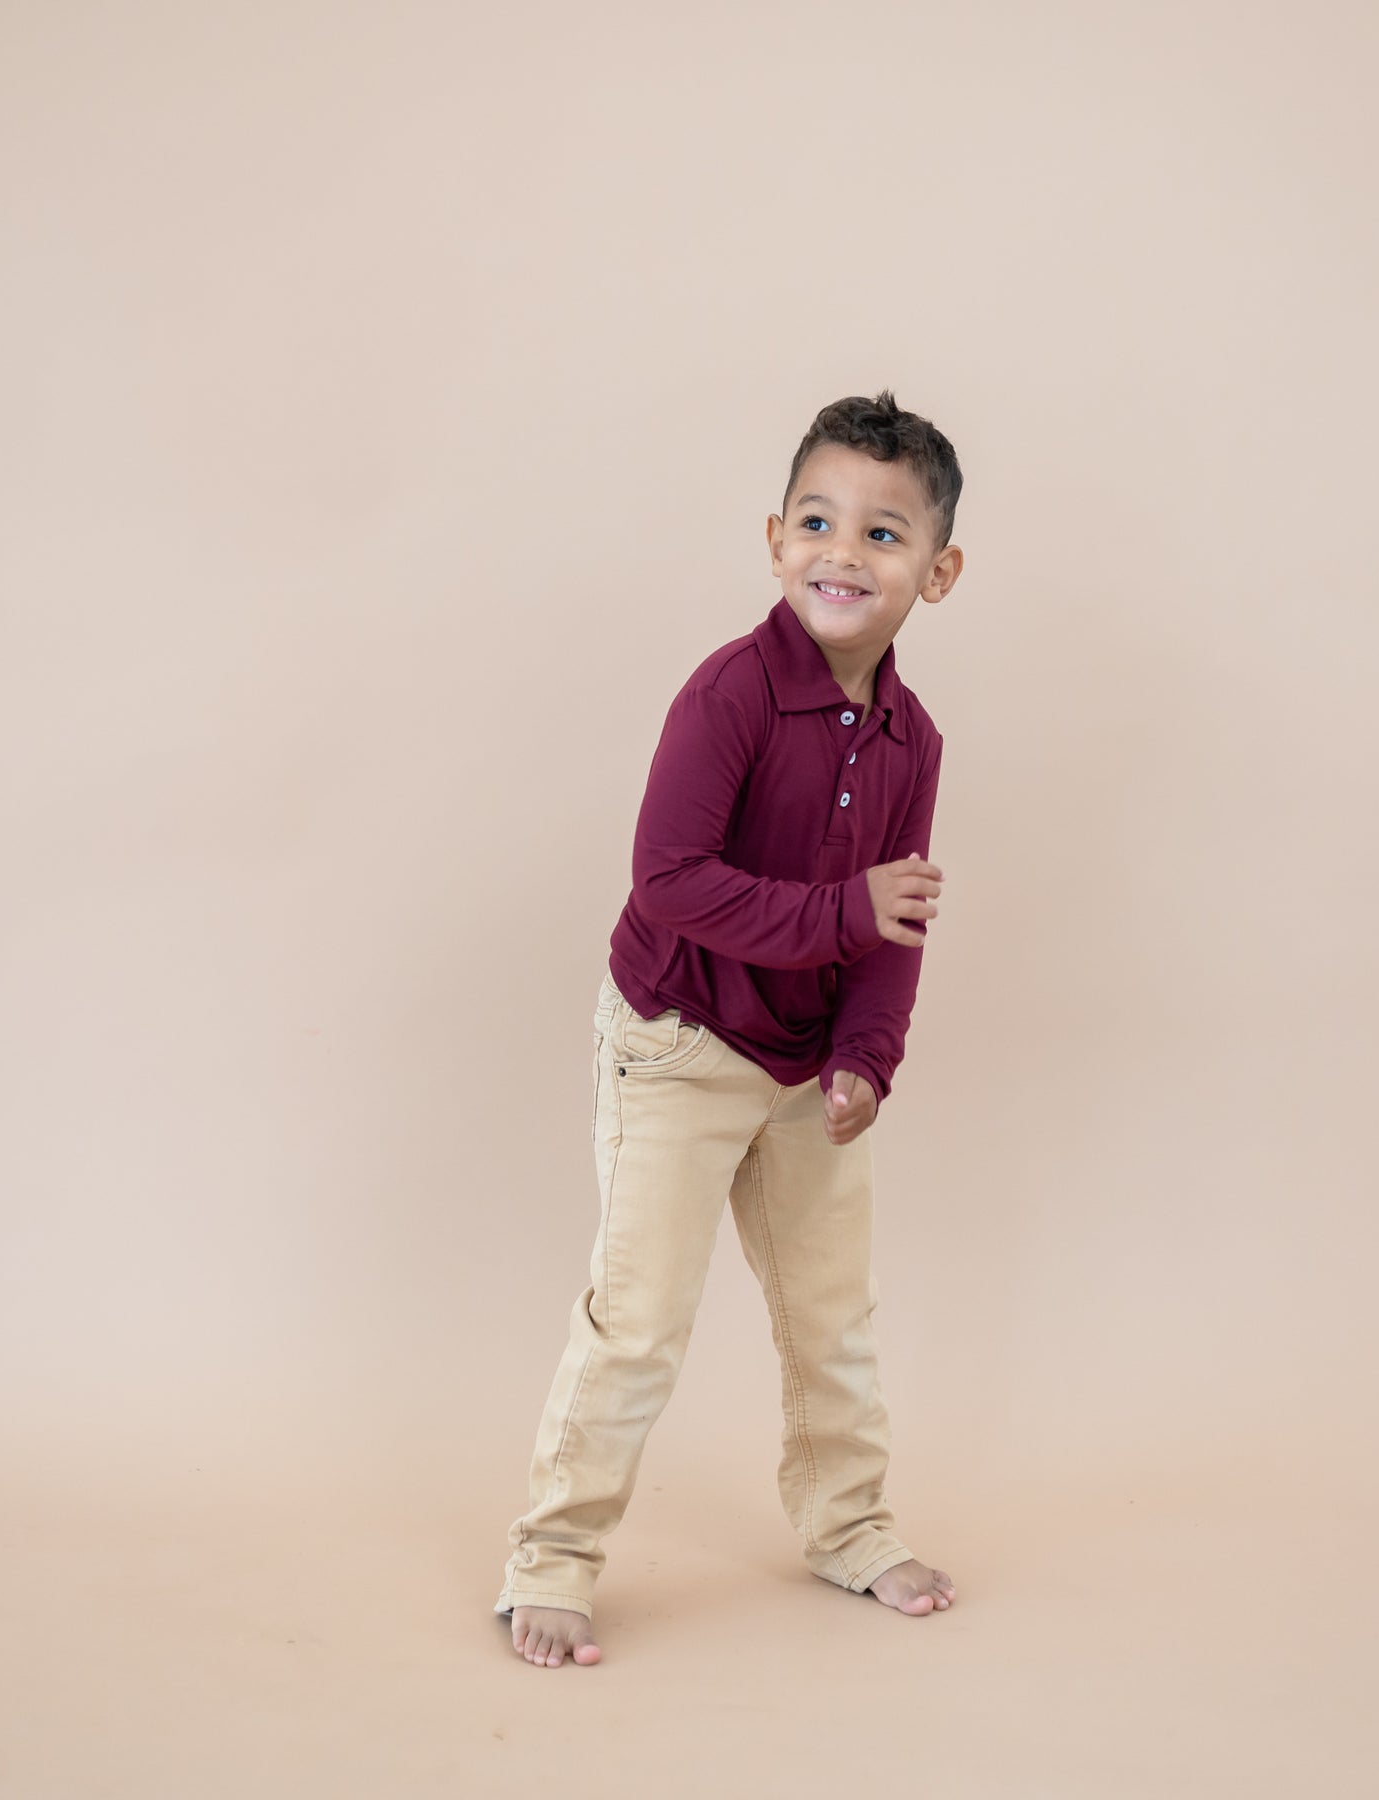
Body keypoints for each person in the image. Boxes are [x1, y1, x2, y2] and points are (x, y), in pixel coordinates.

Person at [499, 389, 963, 1668]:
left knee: (834, 1322)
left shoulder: (914, 742)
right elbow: (671, 880)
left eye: (883, 533)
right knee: (638, 1319)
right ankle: (554, 1558)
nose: (843, 552)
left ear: (939, 571)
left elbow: (894, 926)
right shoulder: (731, 696)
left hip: (809, 1068)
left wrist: (868, 1058)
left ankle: (851, 1528)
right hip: (679, 1040)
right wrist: (841, 909)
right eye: (818, 521)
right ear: (774, 540)